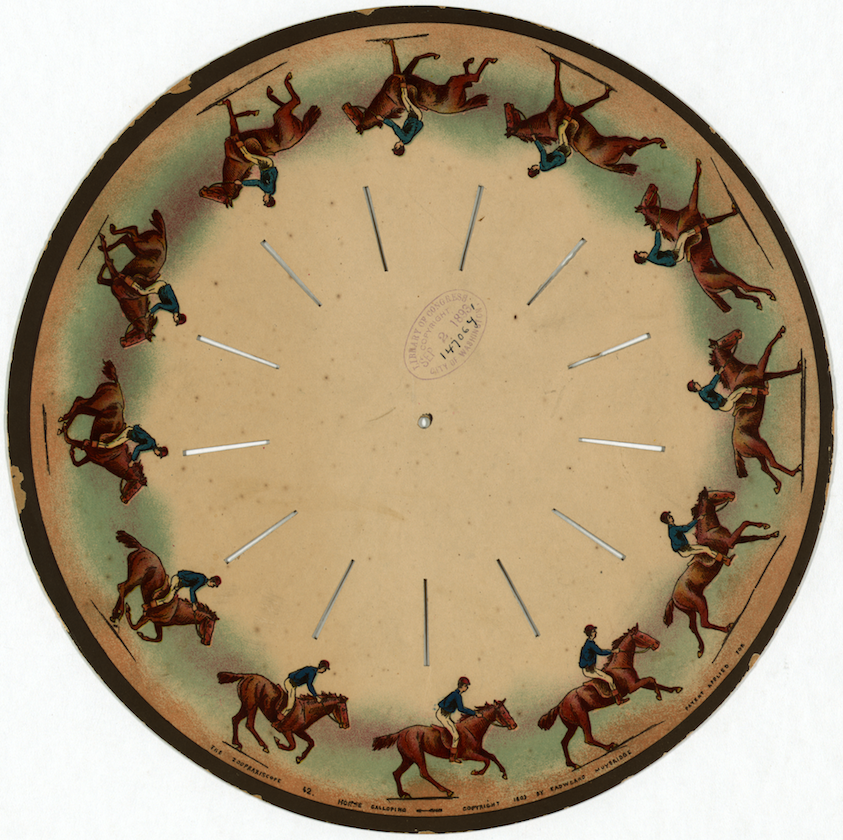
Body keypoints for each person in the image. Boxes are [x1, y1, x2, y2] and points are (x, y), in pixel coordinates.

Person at [660, 511, 732, 566]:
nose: (671, 517)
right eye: (669, 517)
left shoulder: (673, 528)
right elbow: (686, 528)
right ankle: (724, 560)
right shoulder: (673, 530)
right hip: (684, 550)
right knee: (705, 549)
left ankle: (724, 559)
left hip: (686, 547)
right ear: (667, 521)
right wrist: (697, 520)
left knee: (706, 548)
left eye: (670, 516)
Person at [580, 626, 628, 705]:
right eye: (593, 631)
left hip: (590, 669)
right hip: (589, 670)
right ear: (590, 634)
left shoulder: (590, 643)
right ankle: (618, 700)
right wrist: (613, 651)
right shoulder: (590, 644)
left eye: (595, 631)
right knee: (610, 679)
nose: (595, 632)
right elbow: (600, 652)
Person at [377, 80, 424, 155]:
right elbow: (394, 126)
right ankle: (403, 82)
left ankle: (404, 85)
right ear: (399, 147)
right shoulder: (402, 137)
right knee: (405, 98)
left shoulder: (406, 141)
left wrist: (416, 121)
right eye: (395, 147)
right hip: (415, 115)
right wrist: (382, 119)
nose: (395, 145)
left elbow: (417, 128)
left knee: (405, 98)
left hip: (415, 117)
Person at [634, 220, 708, 267]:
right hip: (677, 256)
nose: (642, 252)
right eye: (640, 253)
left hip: (674, 254)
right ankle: (703, 225)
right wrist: (658, 230)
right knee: (684, 236)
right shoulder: (652, 256)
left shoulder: (651, 258)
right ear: (642, 257)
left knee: (683, 236)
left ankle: (701, 227)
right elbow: (657, 244)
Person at [436, 677, 476, 762]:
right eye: (466, 686)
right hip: (442, 715)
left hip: (445, 715)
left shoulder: (455, 694)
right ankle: (452, 757)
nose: (467, 688)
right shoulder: (457, 695)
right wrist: (474, 713)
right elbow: (461, 709)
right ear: (463, 686)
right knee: (456, 736)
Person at [688, 370, 765, 413]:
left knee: (741, 390)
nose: (697, 383)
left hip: (724, 403)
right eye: (695, 384)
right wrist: (718, 374)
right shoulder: (703, 392)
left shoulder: (703, 391)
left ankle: (758, 391)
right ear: (695, 388)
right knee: (742, 390)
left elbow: (711, 386)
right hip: (725, 405)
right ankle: (760, 391)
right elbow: (712, 385)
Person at [86, 424, 168, 462]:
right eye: (159, 454)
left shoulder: (152, 443)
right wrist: (132, 461)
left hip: (131, 432)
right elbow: (138, 448)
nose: (157, 455)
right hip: (128, 434)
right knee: (109, 446)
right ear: (159, 450)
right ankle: (91, 444)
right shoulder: (150, 445)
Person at [234, 140, 278, 207]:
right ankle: (239, 144)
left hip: (267, 165)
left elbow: (274, 175)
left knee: (249, 157)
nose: (263, 200)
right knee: (248, 156)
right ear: (268, 199)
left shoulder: (271, 190)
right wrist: (242, 183)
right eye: (265, 201)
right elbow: (257, 182)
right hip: (266, 165)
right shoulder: (267, 189)